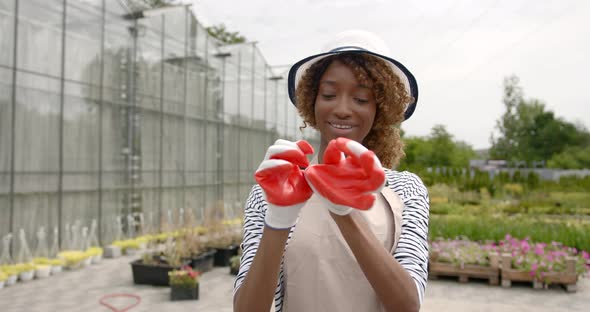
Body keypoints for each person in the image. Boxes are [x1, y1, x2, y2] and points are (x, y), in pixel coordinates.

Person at [233, 30, 430, 312]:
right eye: (328, 94)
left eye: (361, 99)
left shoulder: (405, 189)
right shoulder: (276, 188)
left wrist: (343, 211)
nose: (342, 109)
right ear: (312, 101)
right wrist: (278, 219)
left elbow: (407, 305)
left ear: (380, 110)